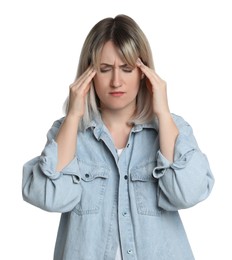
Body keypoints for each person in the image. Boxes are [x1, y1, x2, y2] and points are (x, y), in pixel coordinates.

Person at [22, 14, 214, 260]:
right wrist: (73, 116)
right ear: (88, 73)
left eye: (126, 68)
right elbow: (50, 197)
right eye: (104, 69)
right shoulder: (69, 133)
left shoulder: (171, 127)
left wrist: (162, 113)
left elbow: (187, 193)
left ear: (143, 72)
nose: (116, 81)